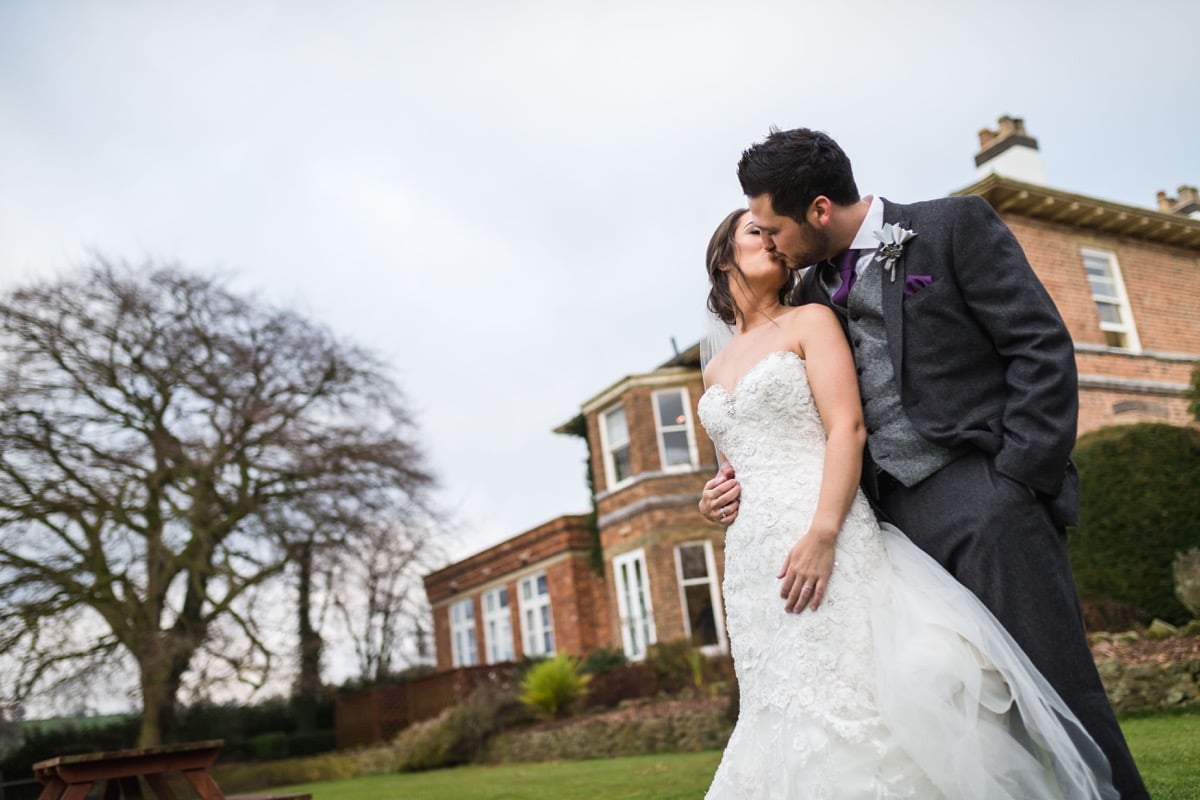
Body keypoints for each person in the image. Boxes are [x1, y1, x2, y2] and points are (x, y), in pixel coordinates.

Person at [700, 128, 1147, 798]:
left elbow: (1039, 347)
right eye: (756, 232)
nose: (772, 241)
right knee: (962, 711)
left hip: (986, 502)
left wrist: (1017, 481)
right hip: (886, 531)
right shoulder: (810, 297)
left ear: (819, 210)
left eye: (774, 227)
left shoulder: (950, 227)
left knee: (1060, 688)